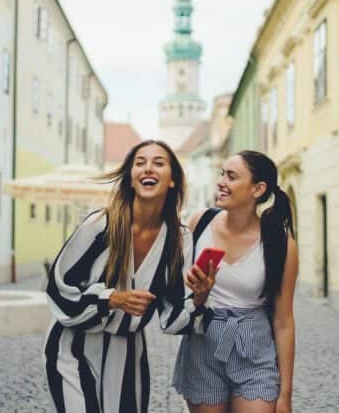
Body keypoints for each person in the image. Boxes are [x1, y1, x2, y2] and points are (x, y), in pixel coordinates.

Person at [43, 139, 216, 413]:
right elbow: (58, 286)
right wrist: (111, 299)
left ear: (172, 180)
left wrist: (199, 298)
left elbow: (171, 318)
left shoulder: (178, 239)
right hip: (72, 348)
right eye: (140, 163)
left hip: (127, 355)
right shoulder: (101, 225)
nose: (148, 168)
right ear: (131, 179)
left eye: (158, 163)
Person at [174, 150, 299, 413]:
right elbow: (178, 291)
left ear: (258, 189)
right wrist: (198, 295)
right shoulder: (200, 223)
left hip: (254, 347)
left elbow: (284, 321)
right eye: (222, 174)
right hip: (203, 344)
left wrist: (285, 395)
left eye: (231, 176)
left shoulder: (281, 244)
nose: (221, 182)